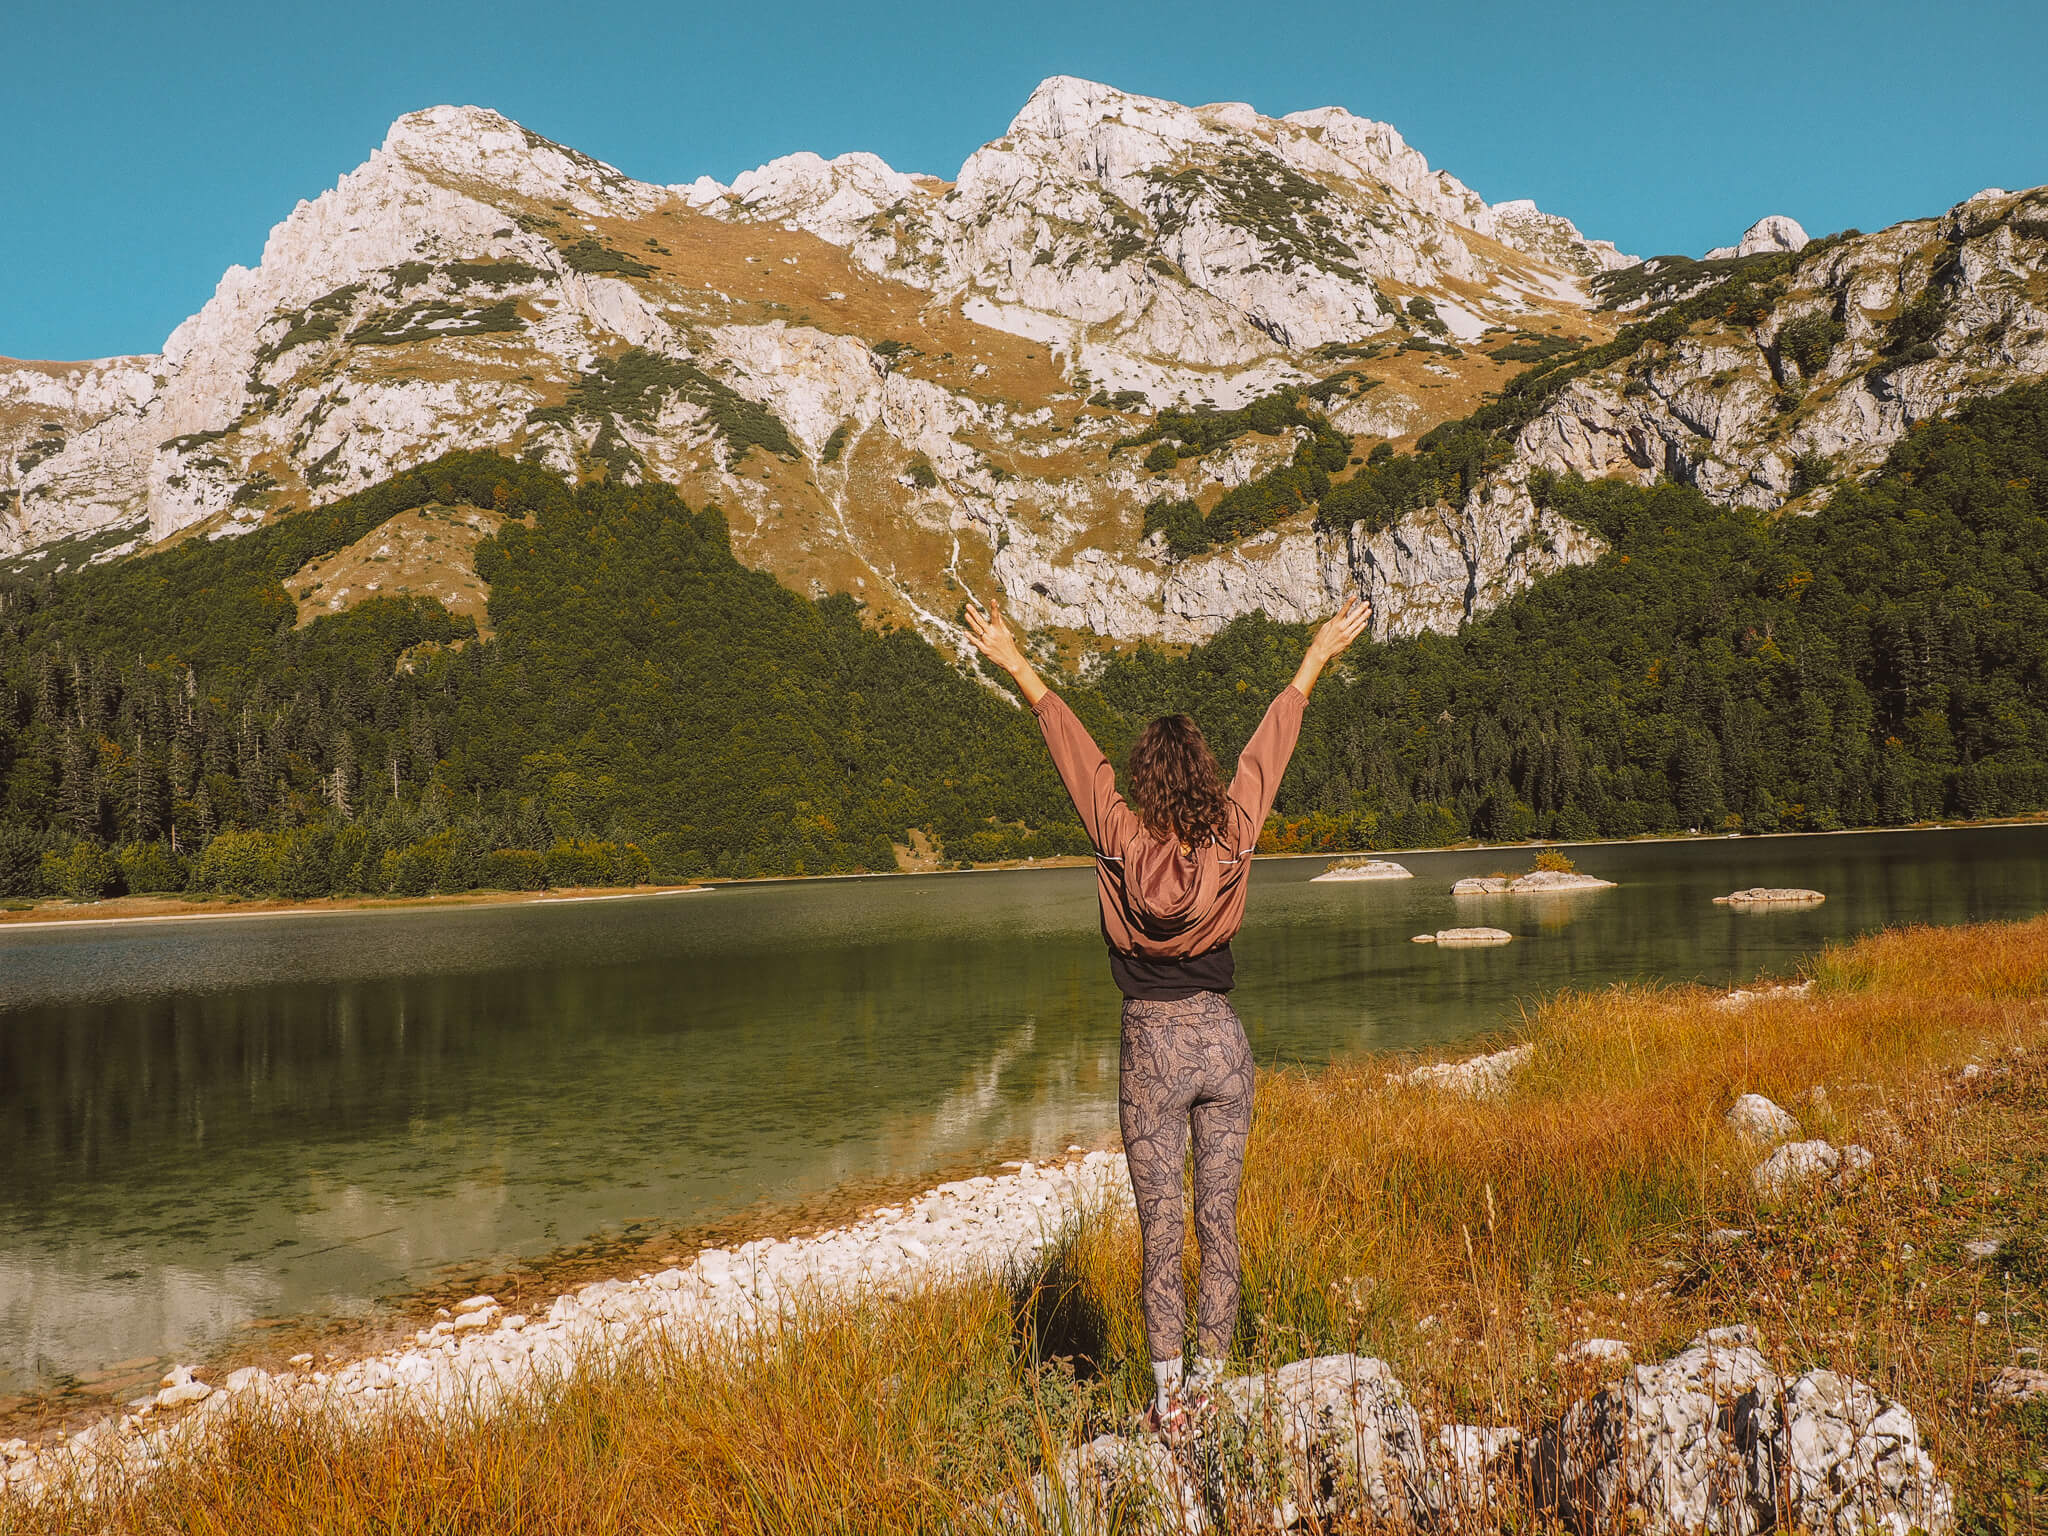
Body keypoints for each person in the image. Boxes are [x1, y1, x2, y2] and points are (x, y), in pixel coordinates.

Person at [964, 594, 1372, 1433]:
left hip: (1150, 1047)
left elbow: (1071, 749)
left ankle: (1168, 1402)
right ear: (1203, 779)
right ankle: (1213, 1392)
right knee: (1217, 1219)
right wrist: (1315, 656)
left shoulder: (1115, 831)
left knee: (1161, 1229)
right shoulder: (1232, 833)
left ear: (1143, 781)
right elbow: (1272, 748)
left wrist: (1012, 659)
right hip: (1221, 1044)